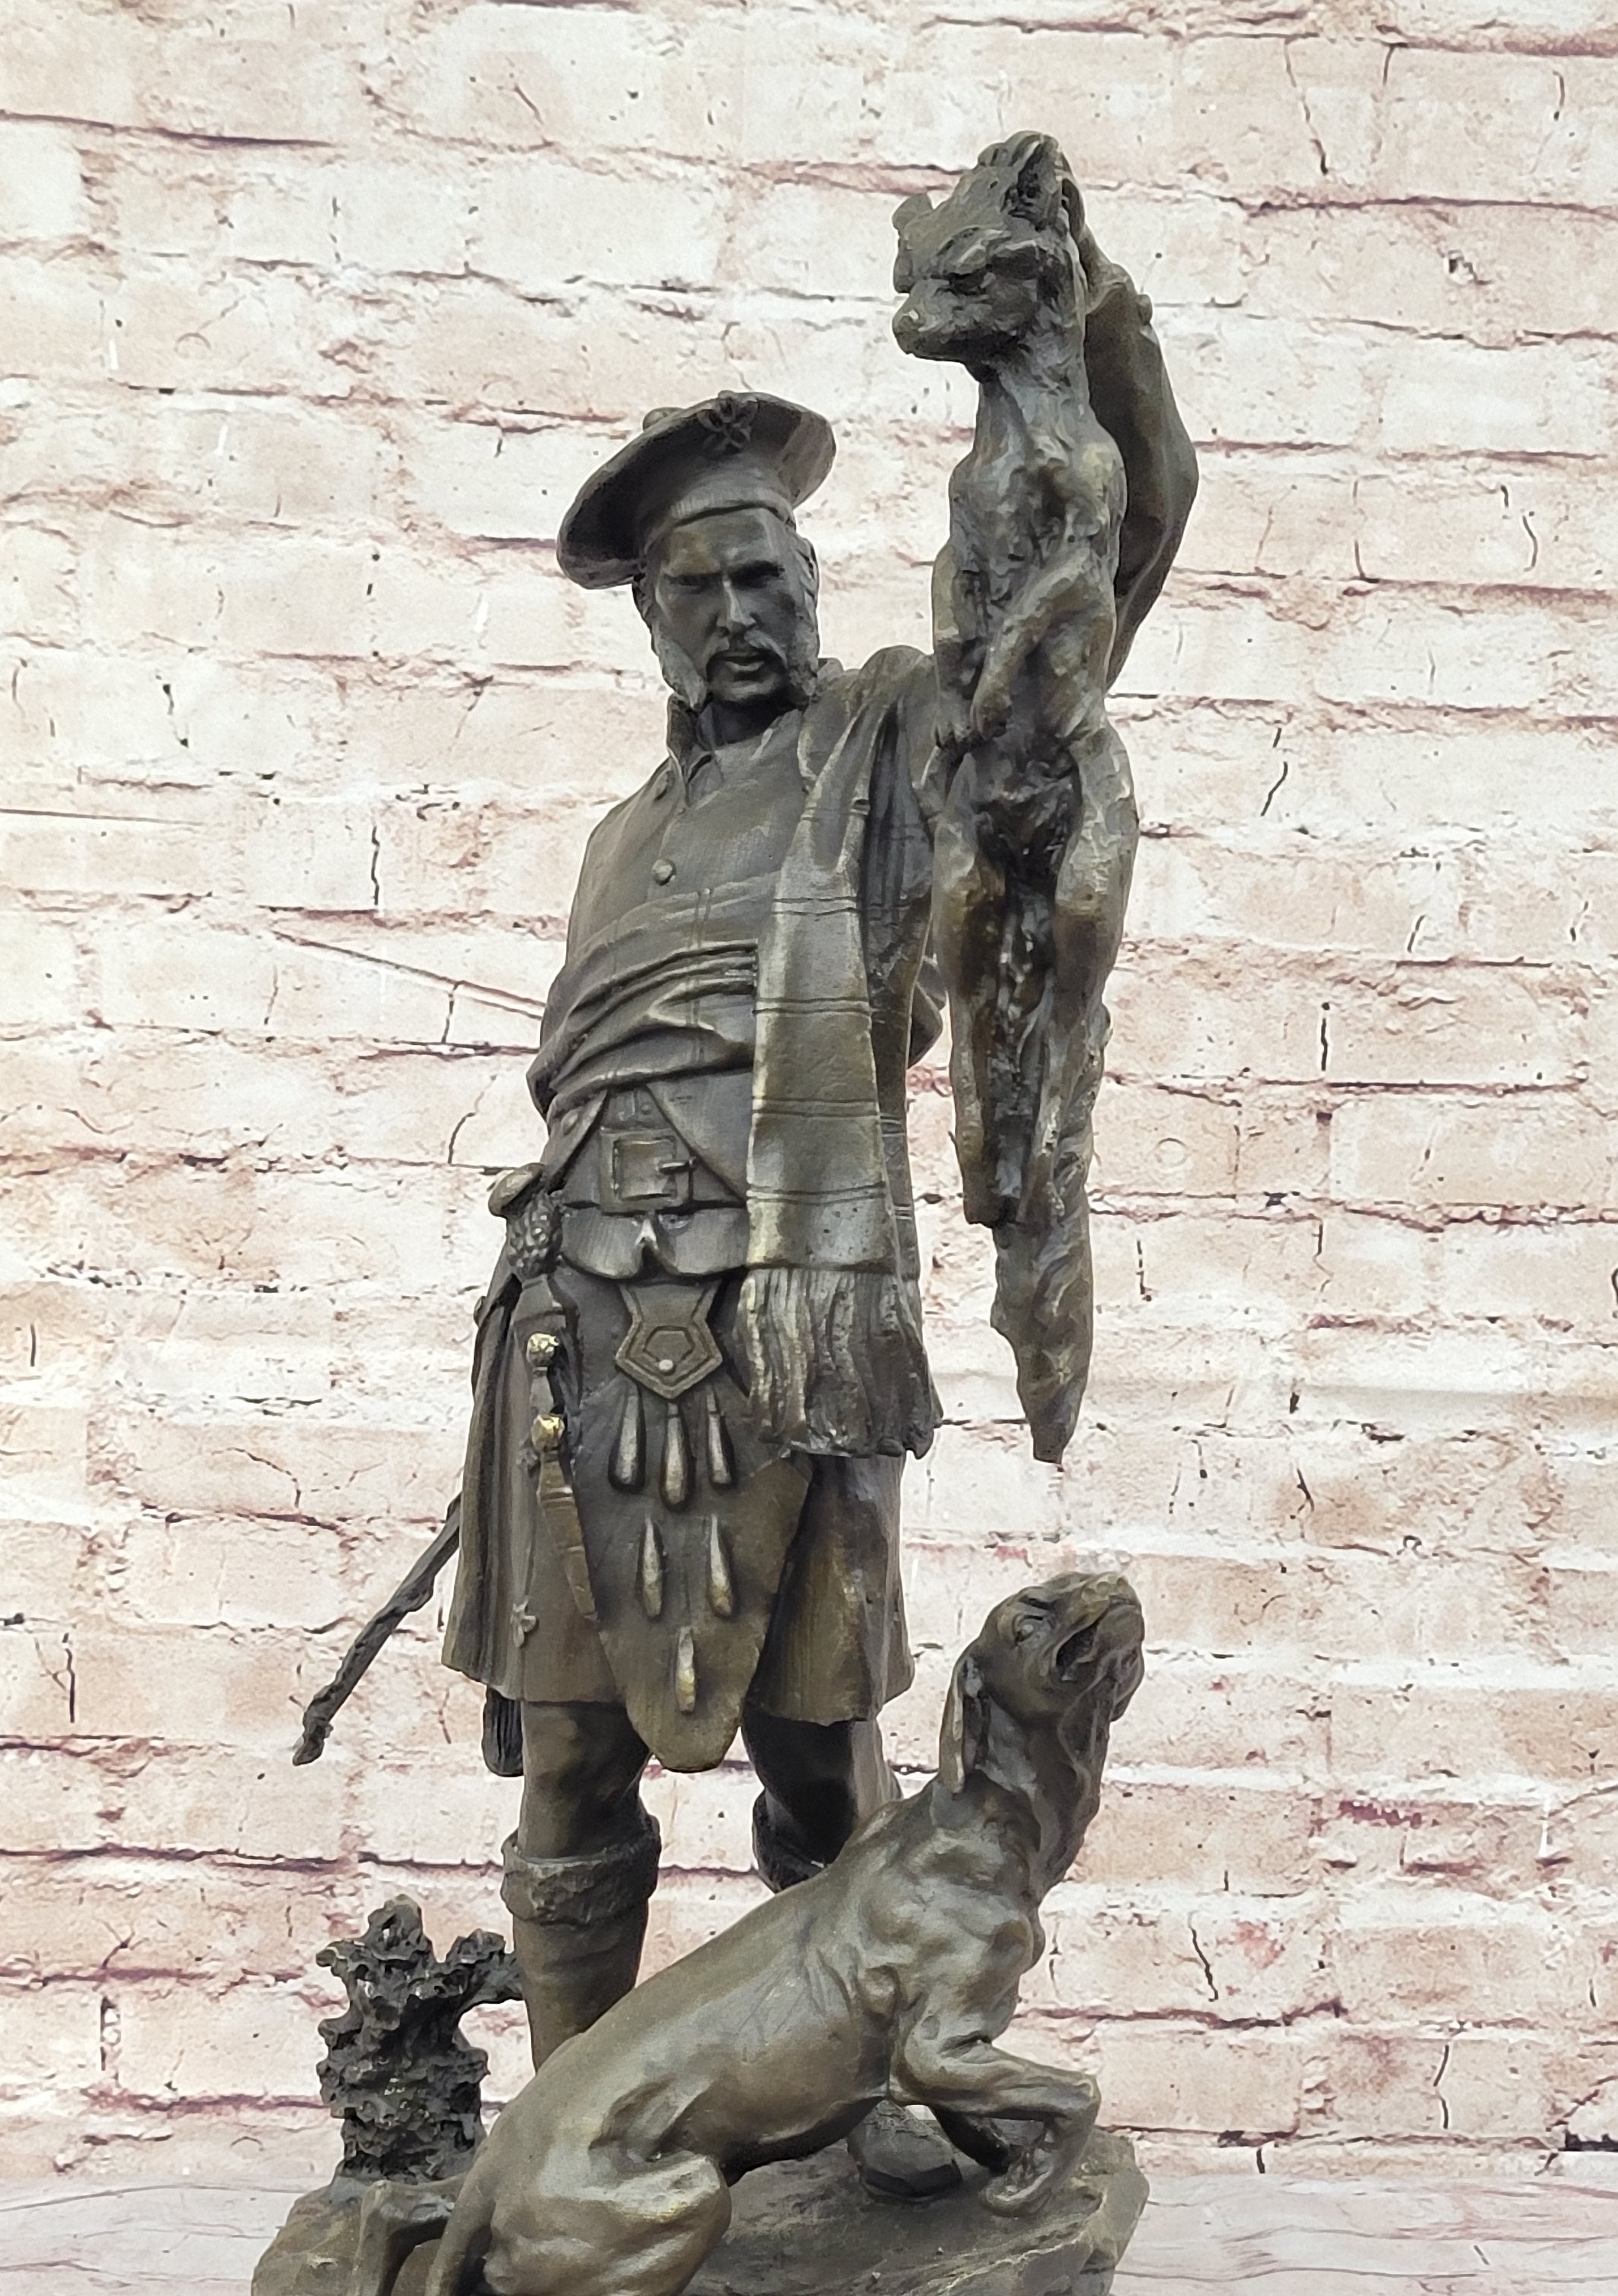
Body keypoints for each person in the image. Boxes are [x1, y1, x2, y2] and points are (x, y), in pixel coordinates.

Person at [442, 205, 1194, 2191]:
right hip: (572, 1329)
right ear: (651, 619)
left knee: (820, 1754)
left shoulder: (893, 741)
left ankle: (859, 2139)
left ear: (809, 578)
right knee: (569, 1757)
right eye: (697, 588)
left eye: (766, 571)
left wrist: (1078, 343)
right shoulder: (620, 831)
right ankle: (570, 2139)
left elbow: (1090, 589)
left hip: (791, 1319)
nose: (739, 614)